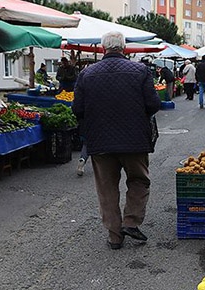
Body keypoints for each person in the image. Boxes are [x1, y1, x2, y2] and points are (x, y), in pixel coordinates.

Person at [72, 31, 161, 250]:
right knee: (139, 180)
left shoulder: (87, 74)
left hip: (100, 141)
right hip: (134, 140)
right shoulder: (141, 71)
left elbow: (77, 109)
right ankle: (130, 221)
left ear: (103, 48)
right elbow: (153, 105)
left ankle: (114, 236)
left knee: (107, 188)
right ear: (124, 48)